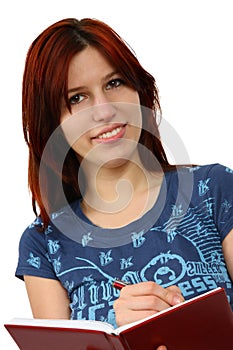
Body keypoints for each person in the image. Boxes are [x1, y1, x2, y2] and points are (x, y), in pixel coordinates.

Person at [15, 17, 233, 349]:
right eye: (76, 98)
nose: (104, 111)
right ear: (51, 123)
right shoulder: (44, 244)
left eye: (114, 83)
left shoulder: (214, 190)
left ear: (139, 90)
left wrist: (188, 326)